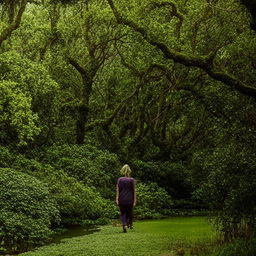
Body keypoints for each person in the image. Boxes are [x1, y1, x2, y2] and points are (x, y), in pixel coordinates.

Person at [116, 164, 136, 233]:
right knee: (129, 213)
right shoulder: (132, 180)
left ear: (123, 170)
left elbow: (118, 190)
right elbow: (134, 191)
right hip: (130, 199)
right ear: (129, 171)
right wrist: (134, 200)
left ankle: (124, 225)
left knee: (123, 213)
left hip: (122, 199)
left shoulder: (119, 179)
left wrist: (117, 198)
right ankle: (129, 224)